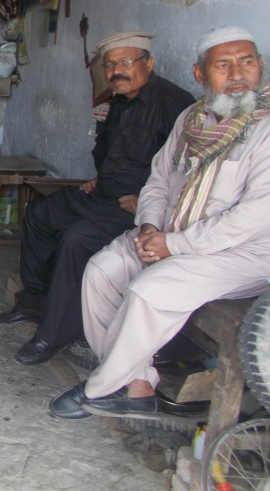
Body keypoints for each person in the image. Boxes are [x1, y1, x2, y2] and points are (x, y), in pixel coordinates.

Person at [50, 26, 270, 420]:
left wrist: (174, 245)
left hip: (242, 254)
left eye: (247, 62)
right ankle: (136, 384)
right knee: (102, 269)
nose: (238, 74)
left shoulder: (266, 126)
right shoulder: (191, 118)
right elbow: (158, 181)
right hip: (170, 235)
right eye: (224, 65)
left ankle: (101, 389)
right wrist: (150, 226)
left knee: (150, 290)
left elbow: (254, 217)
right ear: (200, 74)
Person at [0, 32, 194, 365]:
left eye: (126, 62)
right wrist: (100, 177)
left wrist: (148, 200)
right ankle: (33, 300)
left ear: (149, 63)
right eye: (111, 64)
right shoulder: (118, 99)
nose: (117, 70)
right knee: (41, 214)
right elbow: (109, 151)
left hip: (137, 204)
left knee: (77, 239)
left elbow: (188, 170)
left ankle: (54, 335)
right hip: (103, 192)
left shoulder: (175, 105)